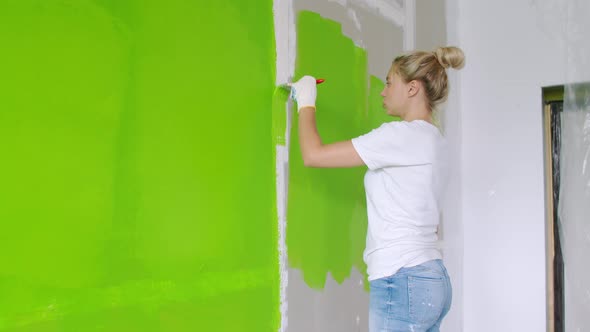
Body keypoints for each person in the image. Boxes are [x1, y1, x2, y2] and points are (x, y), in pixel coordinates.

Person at [290, 46, 465, 332]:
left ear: (412, 88)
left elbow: (313, 155)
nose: (383, 91)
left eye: (389, 82)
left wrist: (306, 100)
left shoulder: (401, 136)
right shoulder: (437, 141)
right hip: (433, 279)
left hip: (402, 279)